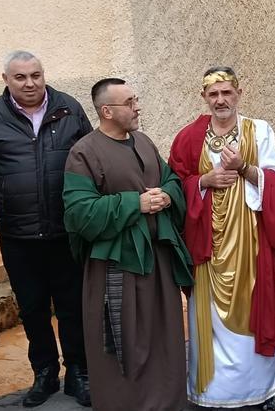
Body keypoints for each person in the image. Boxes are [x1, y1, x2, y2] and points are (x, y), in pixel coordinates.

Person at [0, 51, 94, 406]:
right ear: (5, 79)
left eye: (36, 75)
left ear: (44, 74)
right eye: (20, 77)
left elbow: (93, 162)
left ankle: (78, 373)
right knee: (33, 310)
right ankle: (45, 374)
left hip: (67, 232)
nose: (30, 83)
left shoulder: (69, 109)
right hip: (19, 237)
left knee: (71, 308)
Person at [168, 66, 275, 410]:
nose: (220, 100)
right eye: (214, 94)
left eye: (226, 92)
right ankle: (212, 392)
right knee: (209, 323)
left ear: (239, 93)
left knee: (254, 318)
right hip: (207, 249)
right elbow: (175, 184)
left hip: (251, 246)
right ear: (204, 98)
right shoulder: (188, 138)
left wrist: (244, 168)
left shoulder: (259, 130)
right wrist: (203, 182)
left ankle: (259, 390)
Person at [63, 77, 193, 411]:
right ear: (106, 111)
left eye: (136, 99)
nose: (137, 107)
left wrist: (167, 194)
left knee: (164, 340)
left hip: (159, 264)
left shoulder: (144, 142)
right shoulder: (84, 153)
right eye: (130, 102)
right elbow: (79, 213)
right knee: (126, 346)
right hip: (117, 268)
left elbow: (171, 180)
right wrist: (135, 204)